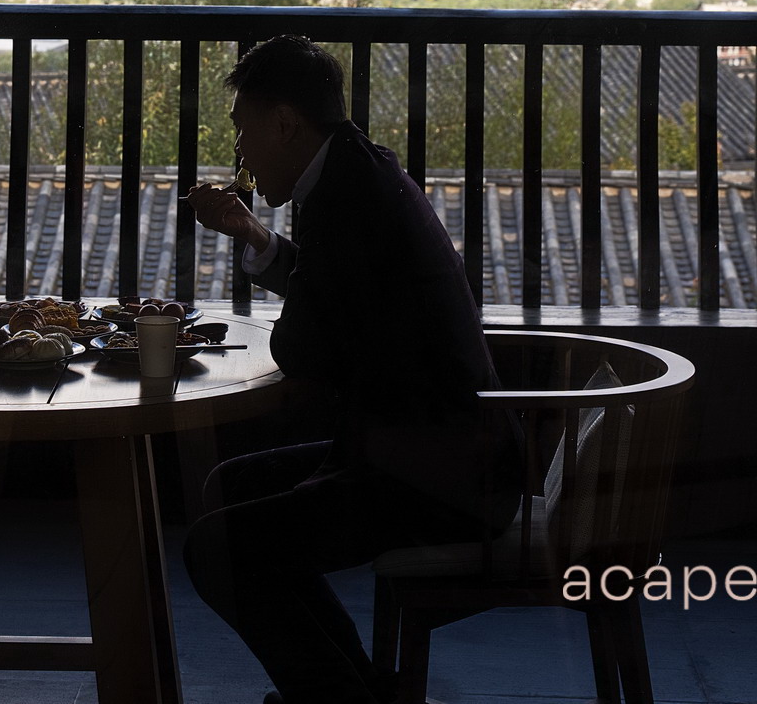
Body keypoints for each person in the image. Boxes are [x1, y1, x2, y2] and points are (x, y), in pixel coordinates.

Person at [183, 35, 522, 704]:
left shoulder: (346, 202)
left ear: (285, 124)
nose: (241, 153)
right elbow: (331, 297)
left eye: (244, 131)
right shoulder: (357, 169)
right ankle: (353, 689)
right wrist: (255, 235)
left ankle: (340, 698)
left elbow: (301, 348)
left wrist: (298, 307)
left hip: (435, 476)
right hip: (434, 451)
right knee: (228, 492)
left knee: (217, 547)